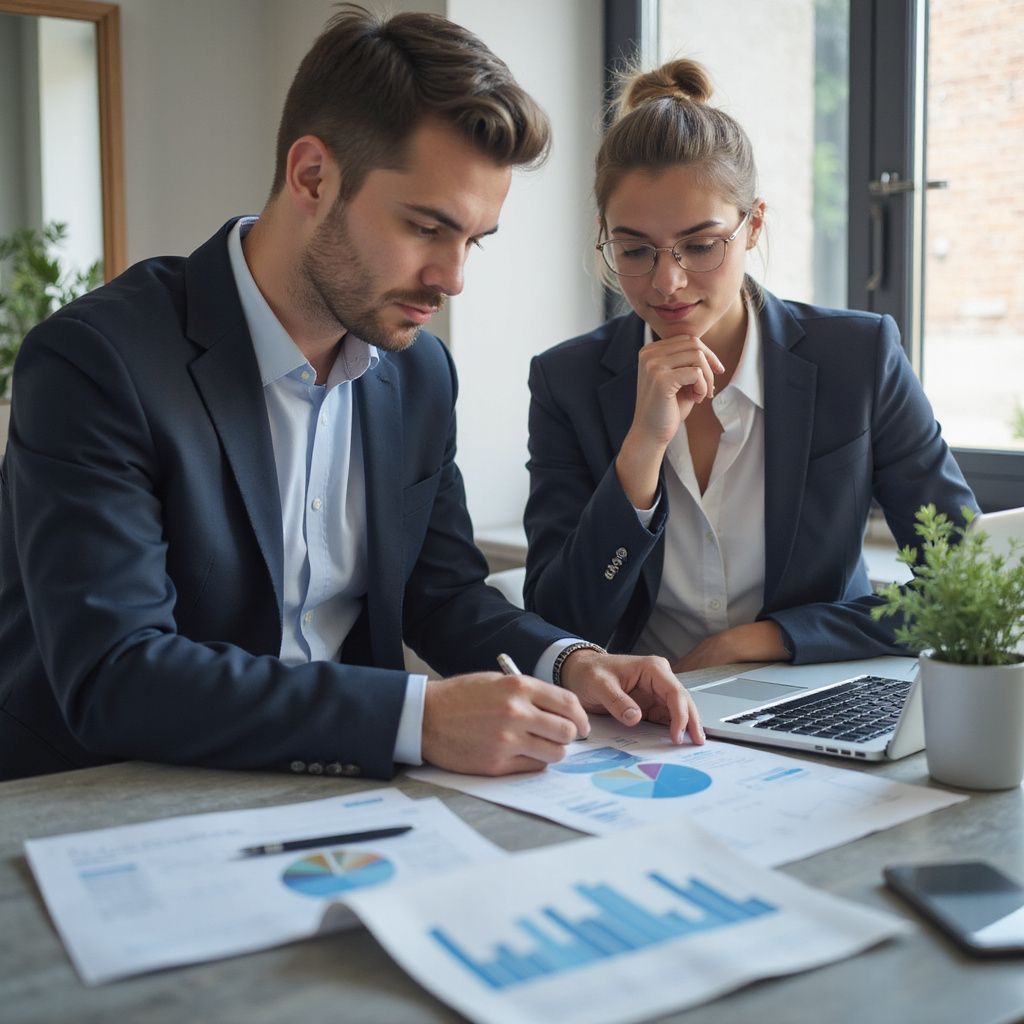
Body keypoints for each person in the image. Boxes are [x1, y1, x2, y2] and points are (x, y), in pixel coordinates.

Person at [0, 7, 704, 783]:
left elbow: (440, 594)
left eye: (473, 241)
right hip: (110, 798)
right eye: (426, 227)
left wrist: (569, 662)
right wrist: (419, 717)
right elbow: (118, 676)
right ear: (312, 176)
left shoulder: (419, 374)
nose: (453, 278)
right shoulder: (98, 362)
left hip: (342, 798)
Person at [523, 58, 977, 671]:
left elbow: (961, 585)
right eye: (634, 249)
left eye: (701, 245)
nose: (668, 282)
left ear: (753, 225)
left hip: (808, 694)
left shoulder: (858, 358)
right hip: (639, 724)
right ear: (605, 235)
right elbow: (560, 621)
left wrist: (766, 639)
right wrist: (640, 455)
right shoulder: (567, 382)